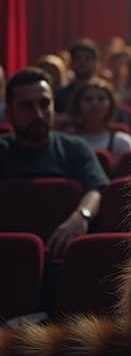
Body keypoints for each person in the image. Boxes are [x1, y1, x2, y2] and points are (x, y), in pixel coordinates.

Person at [0, 67, 109, 259]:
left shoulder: (74, 147)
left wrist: (81, 216)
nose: (39, 115)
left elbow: (97, 189)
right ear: (9, 113)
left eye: (45, 104)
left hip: (65, 256)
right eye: (27, 106)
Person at [65, 77, 131, 162]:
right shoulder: (67, 141)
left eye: (101, 99)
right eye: (88, 99)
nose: (95, 103)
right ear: (77, 105)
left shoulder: (122, 142)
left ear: (111, 105)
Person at [54, 38, 101, 116]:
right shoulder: (60, 95)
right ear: (71, 62)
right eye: (78, 58)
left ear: (96, 62)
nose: (82, 62)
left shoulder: (105, 95)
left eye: (88, 58)